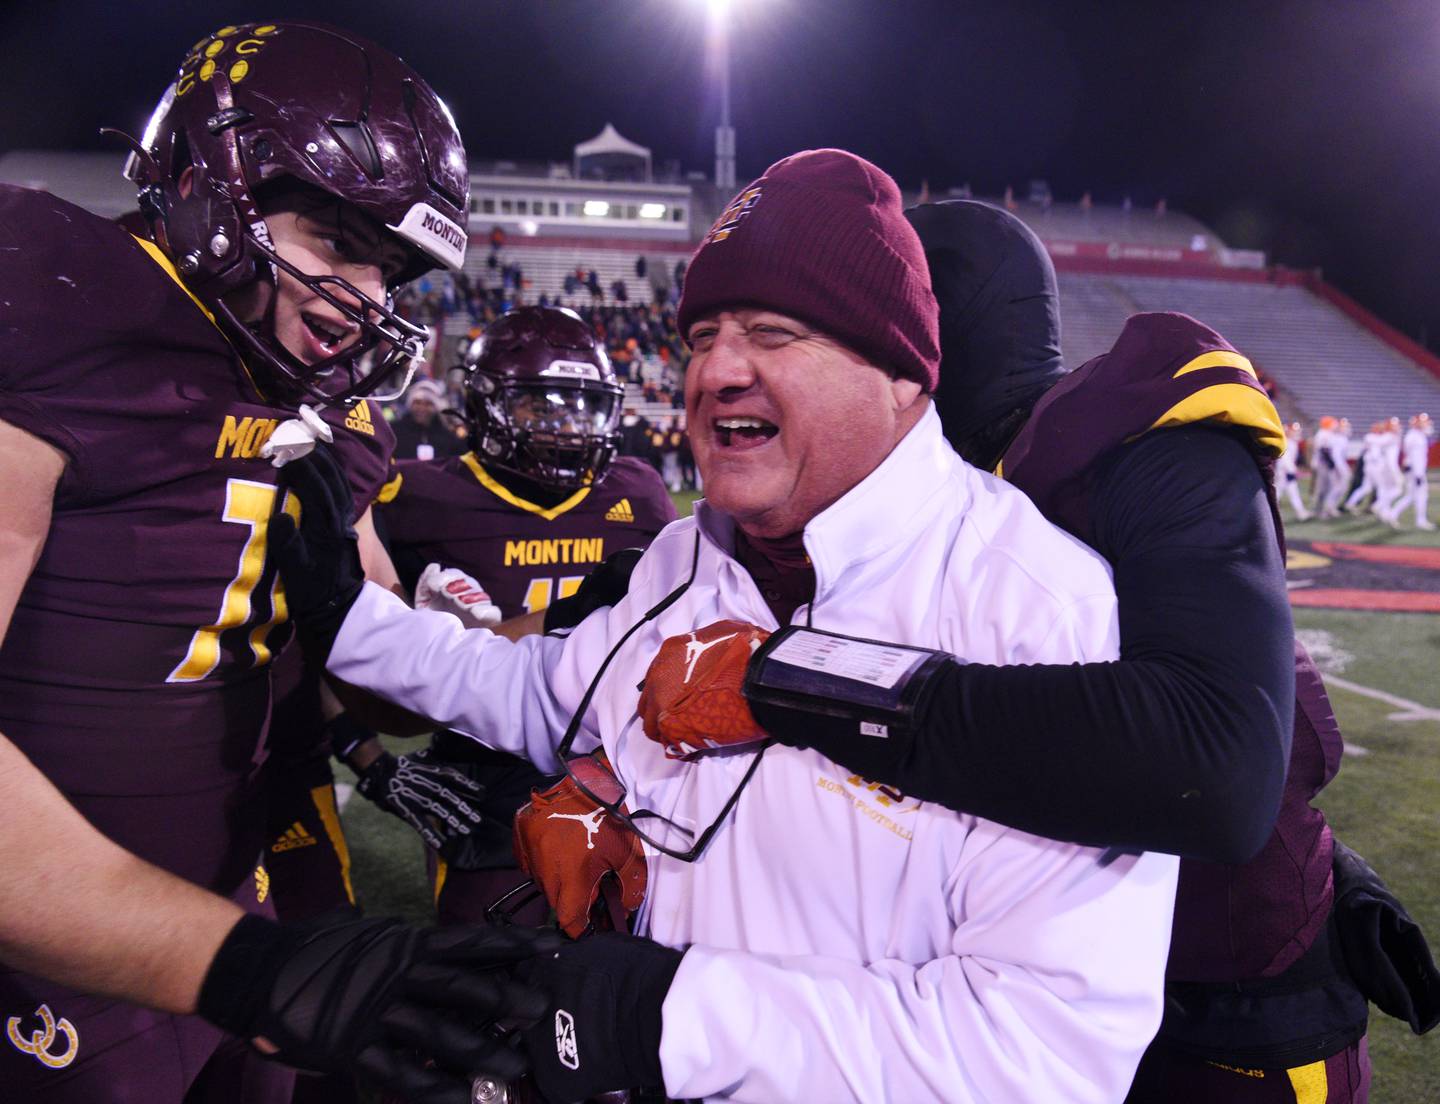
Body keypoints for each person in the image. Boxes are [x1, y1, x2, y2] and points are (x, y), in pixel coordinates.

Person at [274, 149, 1179, 1104]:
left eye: (773, 332)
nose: (717, 370)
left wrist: (661, 1018)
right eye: (702, 333)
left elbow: (1044, 1055)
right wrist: (349, 616)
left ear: (902, 375)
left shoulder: (1037, 609)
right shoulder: (688, 558)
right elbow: (547, 694)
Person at [641, 200, 1392, 1101]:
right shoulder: (894, 505)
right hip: (1012, 985)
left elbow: (1223, 763)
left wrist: (786, 687)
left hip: (1220, 1013)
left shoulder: (1136, 442)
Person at [0, 20, 535, 1102]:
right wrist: (231, 963)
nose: (365, 299)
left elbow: (364, 649)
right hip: (52, 945)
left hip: (227, 890)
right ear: (210, 182)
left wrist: (528, 684)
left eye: (390, 267)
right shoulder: (63, 304)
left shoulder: (322, 409)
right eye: (339, 238)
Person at [367, 304, 676, 925]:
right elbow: (338, 636)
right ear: (486, 406)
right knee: (490, 963)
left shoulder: (637, 491)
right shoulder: (415, 496)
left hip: (617, 768)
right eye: (543, 405)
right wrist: (367, 760)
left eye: (582, 405)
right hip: (485, 777)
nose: (568, 425)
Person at [391, 377, 466, 461]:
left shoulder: (447, 437)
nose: (422, 408)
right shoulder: (395, 433)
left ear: (435, 407)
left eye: (428, 404)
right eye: (417, 403)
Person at [1388, 412, 1434, 528]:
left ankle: (1395, 514)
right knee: (1417, 495)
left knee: (1413, 496)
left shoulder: (1416, 435)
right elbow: (1415, 456)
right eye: (1424, 422)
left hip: (1414, 470)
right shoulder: (1415, 437)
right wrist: (1418, 474)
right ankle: (1419, 520)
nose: (1427, 424)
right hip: (1415, 470)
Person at [1276, 420, 1312, 519]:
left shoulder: (1292, 443)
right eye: (1295, 431)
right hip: (1283, 472)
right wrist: (1292, 470)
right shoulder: (1287, 442)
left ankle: (1300, 512)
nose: (1297, 433)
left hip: (1286, 472)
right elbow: (1285, 460)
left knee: (1293, 492)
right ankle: (1268, 511)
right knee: (1277, 493)